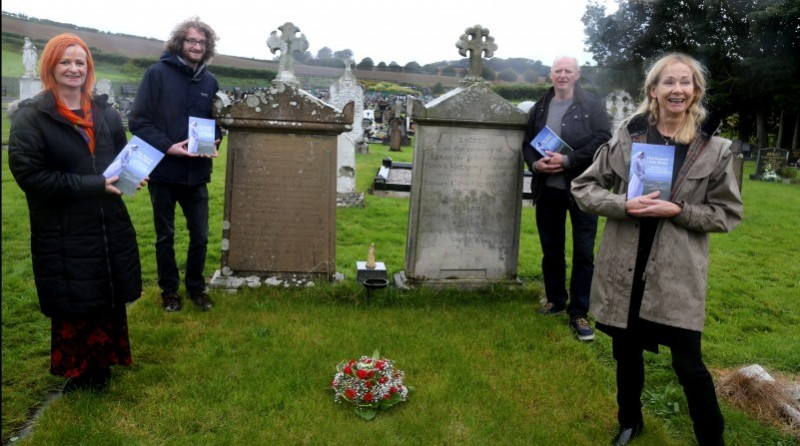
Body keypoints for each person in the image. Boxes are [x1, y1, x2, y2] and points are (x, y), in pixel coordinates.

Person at [571, 53, 743, 446]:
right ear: (653, 90)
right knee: (625, 355)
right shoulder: (629, 138)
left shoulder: (715, 149)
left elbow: (727, 214)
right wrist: (622, 204)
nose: (677, 89)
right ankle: (630, 421)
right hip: (625, 266)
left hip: (675, 273)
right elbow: (584, 188)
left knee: (689, 365)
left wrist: (678, 210)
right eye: (668, 82)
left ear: (695, 91)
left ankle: (711, 439)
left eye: (685, 82)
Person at [8, 33, 143, 393]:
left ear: (89, 68)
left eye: (80, 62)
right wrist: (95, 184)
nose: (73, 69)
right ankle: (79, 369)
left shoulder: (106, 113)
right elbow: (32, 177)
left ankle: (105, 363)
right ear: (50, 66)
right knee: (75, 296)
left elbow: (118, 159)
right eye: (64, 61)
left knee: (105, 292)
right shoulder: (31, 118)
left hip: (106, 222)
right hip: (63, 226)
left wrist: (130, 178)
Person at [129, 17, 222, 312]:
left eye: (202, 42)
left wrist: (216, 139)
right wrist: (168, 146)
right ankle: (169, 292)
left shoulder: (210, 81)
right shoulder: (157, 74)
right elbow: (137, 121)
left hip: (197, 173)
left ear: (208, 47)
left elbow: (215, 123)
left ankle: (196, 288)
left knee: (201, 236)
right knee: (165, 236)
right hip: (164, 172)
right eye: (191, 41)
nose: (196, 46)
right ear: (179, 42)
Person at [522, 56, 611, 341]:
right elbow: (527, 144)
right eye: (557, 71)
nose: (562, 75)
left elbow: (603, 138)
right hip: (548, 189)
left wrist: (569, 159)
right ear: (551, 75)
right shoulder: (540, 107)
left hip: (583, 189)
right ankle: (556, 300)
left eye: (567, 71)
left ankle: (580, 312)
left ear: (577, 74)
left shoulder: (592, 104)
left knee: (584, 253)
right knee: (552, 250)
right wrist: (536, 165)